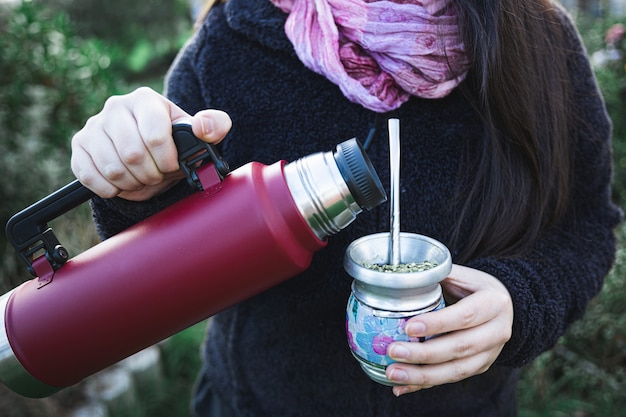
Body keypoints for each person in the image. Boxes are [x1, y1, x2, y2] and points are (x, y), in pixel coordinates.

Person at [70, 0, 623, 416]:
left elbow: (587, 223)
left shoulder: (538, 42)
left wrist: (519, 302)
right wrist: (136, 189)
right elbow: (169, 275)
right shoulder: (229, 47)